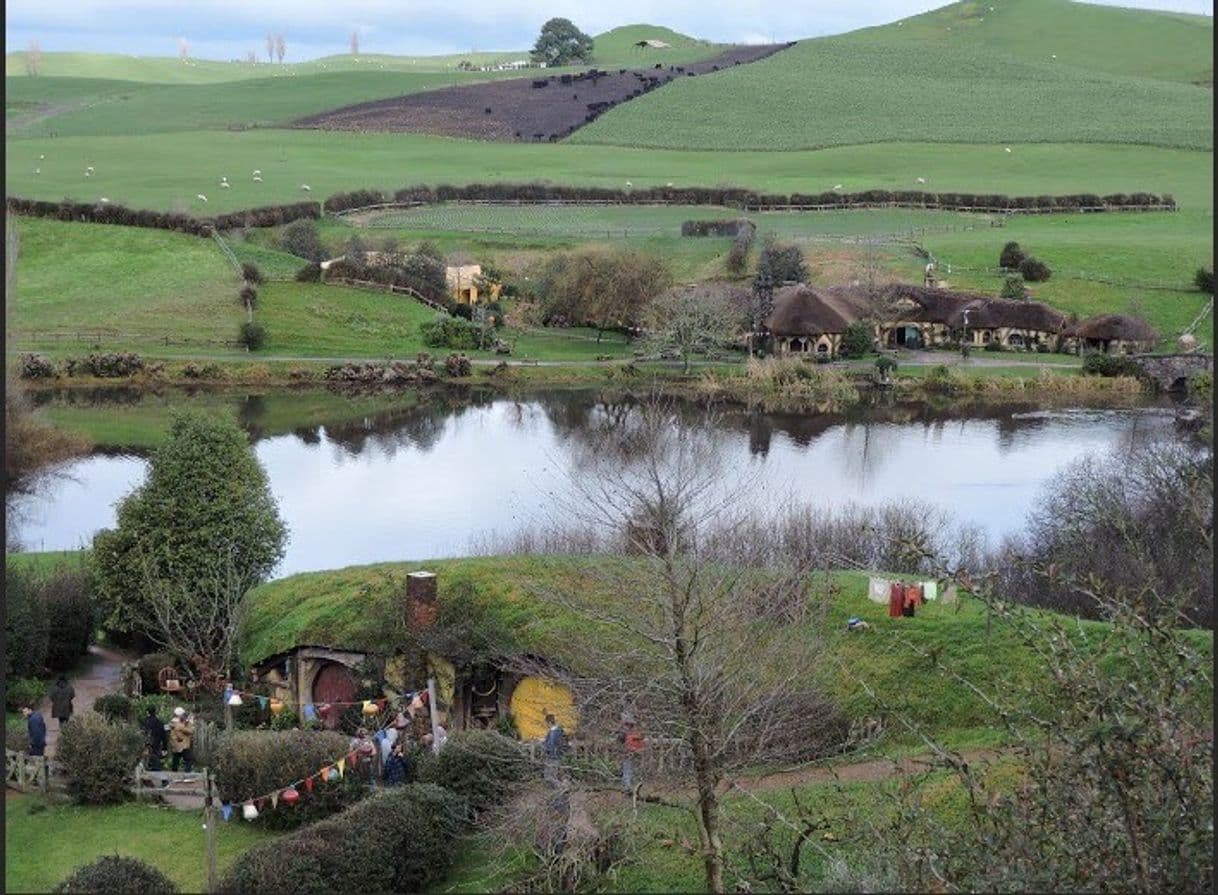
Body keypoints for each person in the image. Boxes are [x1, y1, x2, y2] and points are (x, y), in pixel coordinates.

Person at [616, 715, 646, 793]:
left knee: (632, 770)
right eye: (628, 724)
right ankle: (627, 787)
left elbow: (641, 740)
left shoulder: (633, 732)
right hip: (627, 754)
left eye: (631, 724)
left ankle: (633, 786)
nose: (630, 726)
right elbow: (621, 744)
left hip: (634, 753)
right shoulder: (623, 733)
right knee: (627, 769)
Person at [542, 713, 566, 786]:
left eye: (546, 723)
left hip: (554, 756)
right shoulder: (559, 730)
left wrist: (544, 746)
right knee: (556, 774)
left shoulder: (554, 732)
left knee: (549, 776)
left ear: (549, 722)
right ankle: (562, 786)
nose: (546, 725)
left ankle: (561, 788)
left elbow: (551, 745)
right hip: (559, 755)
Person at [168, 707, 195, 773]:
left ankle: (173, 777)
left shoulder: (173, 723)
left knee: (175, 762)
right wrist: (191, 723)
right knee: (188, 760)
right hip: (183, 745)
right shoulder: (179, 725)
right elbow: (190, 731)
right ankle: (187, 776)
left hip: (176, 745)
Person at [142, 704, 168, 772]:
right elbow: (164, 736)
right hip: (157, 745)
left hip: (146, 745)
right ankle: (162, 780)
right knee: (155, 762)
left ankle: (163, 780)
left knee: (148, 764)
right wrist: (165, 747)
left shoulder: (144, 722)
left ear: (147, 712)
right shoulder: (160, 723)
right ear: (155, 712)